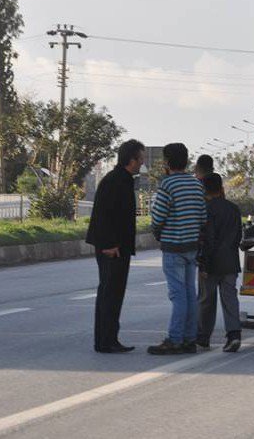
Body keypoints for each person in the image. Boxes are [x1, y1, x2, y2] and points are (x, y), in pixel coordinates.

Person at [86, 139, 145, 353]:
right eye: (141, 158)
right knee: (110, 293)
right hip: (112, 248)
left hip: (117, 246)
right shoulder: (115, 181)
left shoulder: (123, 179)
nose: (142, 163)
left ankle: (108, 338)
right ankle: (105, 341)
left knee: (112, 293)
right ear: (132, 159)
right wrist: (110, 244)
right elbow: (103, 215)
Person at [148, 143, 207, 355]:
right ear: (186, 161)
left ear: (166, 162)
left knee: (177, 295)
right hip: (192, 247)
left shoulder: (167, 185)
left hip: (173, 247)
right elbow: (202, 218)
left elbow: (158, 217)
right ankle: (190, 339)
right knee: (190, 293)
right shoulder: (196, 185)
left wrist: (157, 231)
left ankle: (174, 339)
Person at [196, 173, 243, 352]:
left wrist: (204, 264)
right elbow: (238, 235)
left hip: (212, 262)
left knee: (206, 300)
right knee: (230, 298)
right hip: (230, 261)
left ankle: (203, 337)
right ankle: (234, 335)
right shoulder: (233, 208)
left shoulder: (206, 209)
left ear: (204, 190)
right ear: (221, 188)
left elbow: (208, 239)